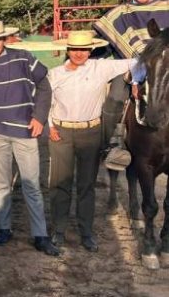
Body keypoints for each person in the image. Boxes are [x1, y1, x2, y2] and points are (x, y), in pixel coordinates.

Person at [0, 21, 58, 256]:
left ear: (4, 39)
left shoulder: (23, 58)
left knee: (31, 185)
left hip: (26, 130)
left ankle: (40, 234)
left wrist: (39, 117)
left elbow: (44, 88)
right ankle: (5, 228)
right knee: (1, 184)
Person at [48, 31, 137, 252]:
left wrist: (136, 79)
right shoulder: (55, 73)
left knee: (87, 184)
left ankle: (86, 231)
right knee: (60, 183)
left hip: (90, 131)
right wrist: (50, 126)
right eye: (75, 49)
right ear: (68, 50)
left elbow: (137, 61)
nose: (79, 54)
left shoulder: (100, 68)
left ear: (91, 50)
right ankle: (58, 231)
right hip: (61, 132)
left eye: (84, 49)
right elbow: (45, 101)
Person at [93, 0, 169, 165]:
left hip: (164, 67)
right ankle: (111, 144)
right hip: (129, 68)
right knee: (115, 98)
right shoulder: (120, 14)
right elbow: (106, 44)